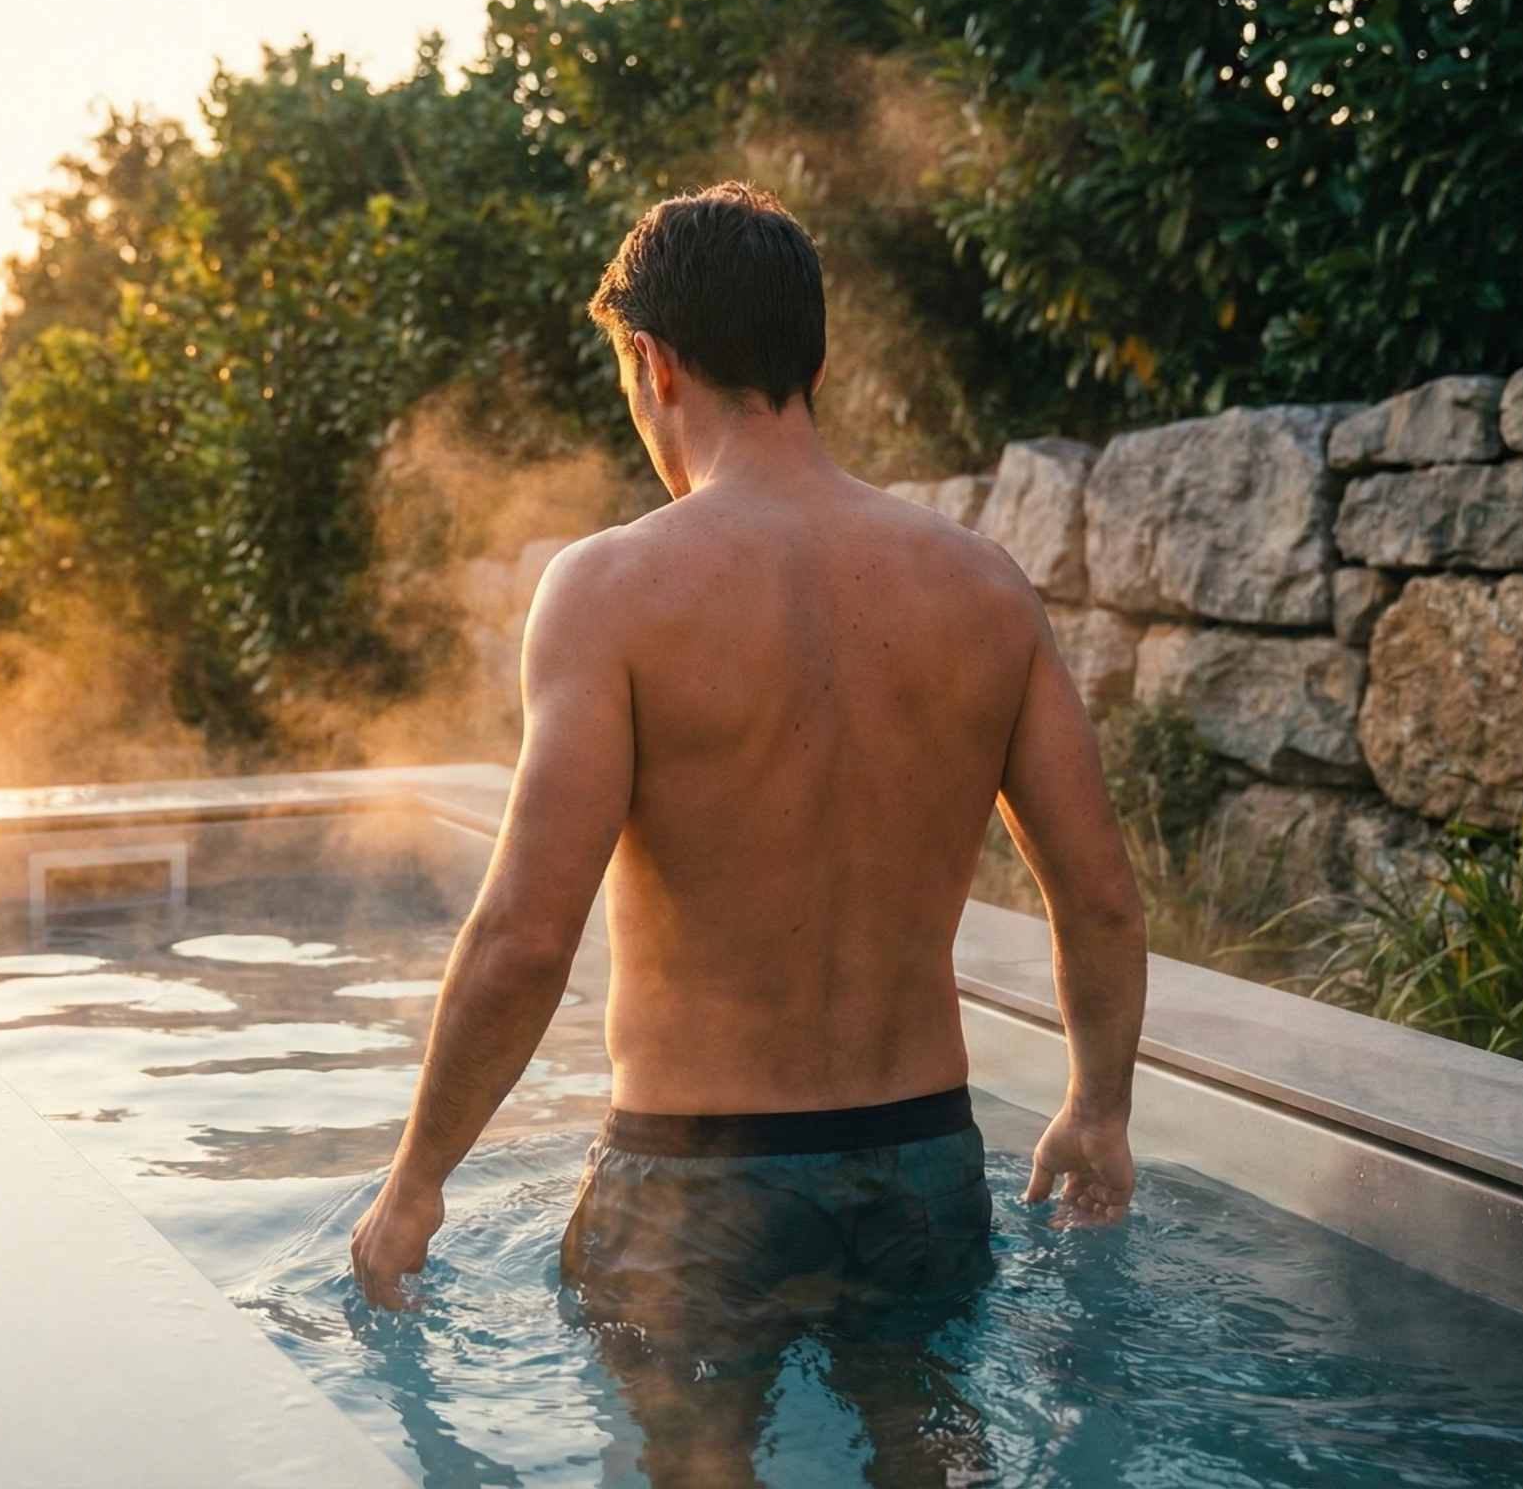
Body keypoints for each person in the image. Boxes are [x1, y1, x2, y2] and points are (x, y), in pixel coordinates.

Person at [347, 183, 1148, 1481]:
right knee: (932, 1455)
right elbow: (1102, 899)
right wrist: (1095, 1110)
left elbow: (524, 936)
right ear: (811, 361)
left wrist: (412, 1185)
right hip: (920, 1166)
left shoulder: (609, 593)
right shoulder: (981, 588)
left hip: (695, 1184)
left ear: (652, 366)